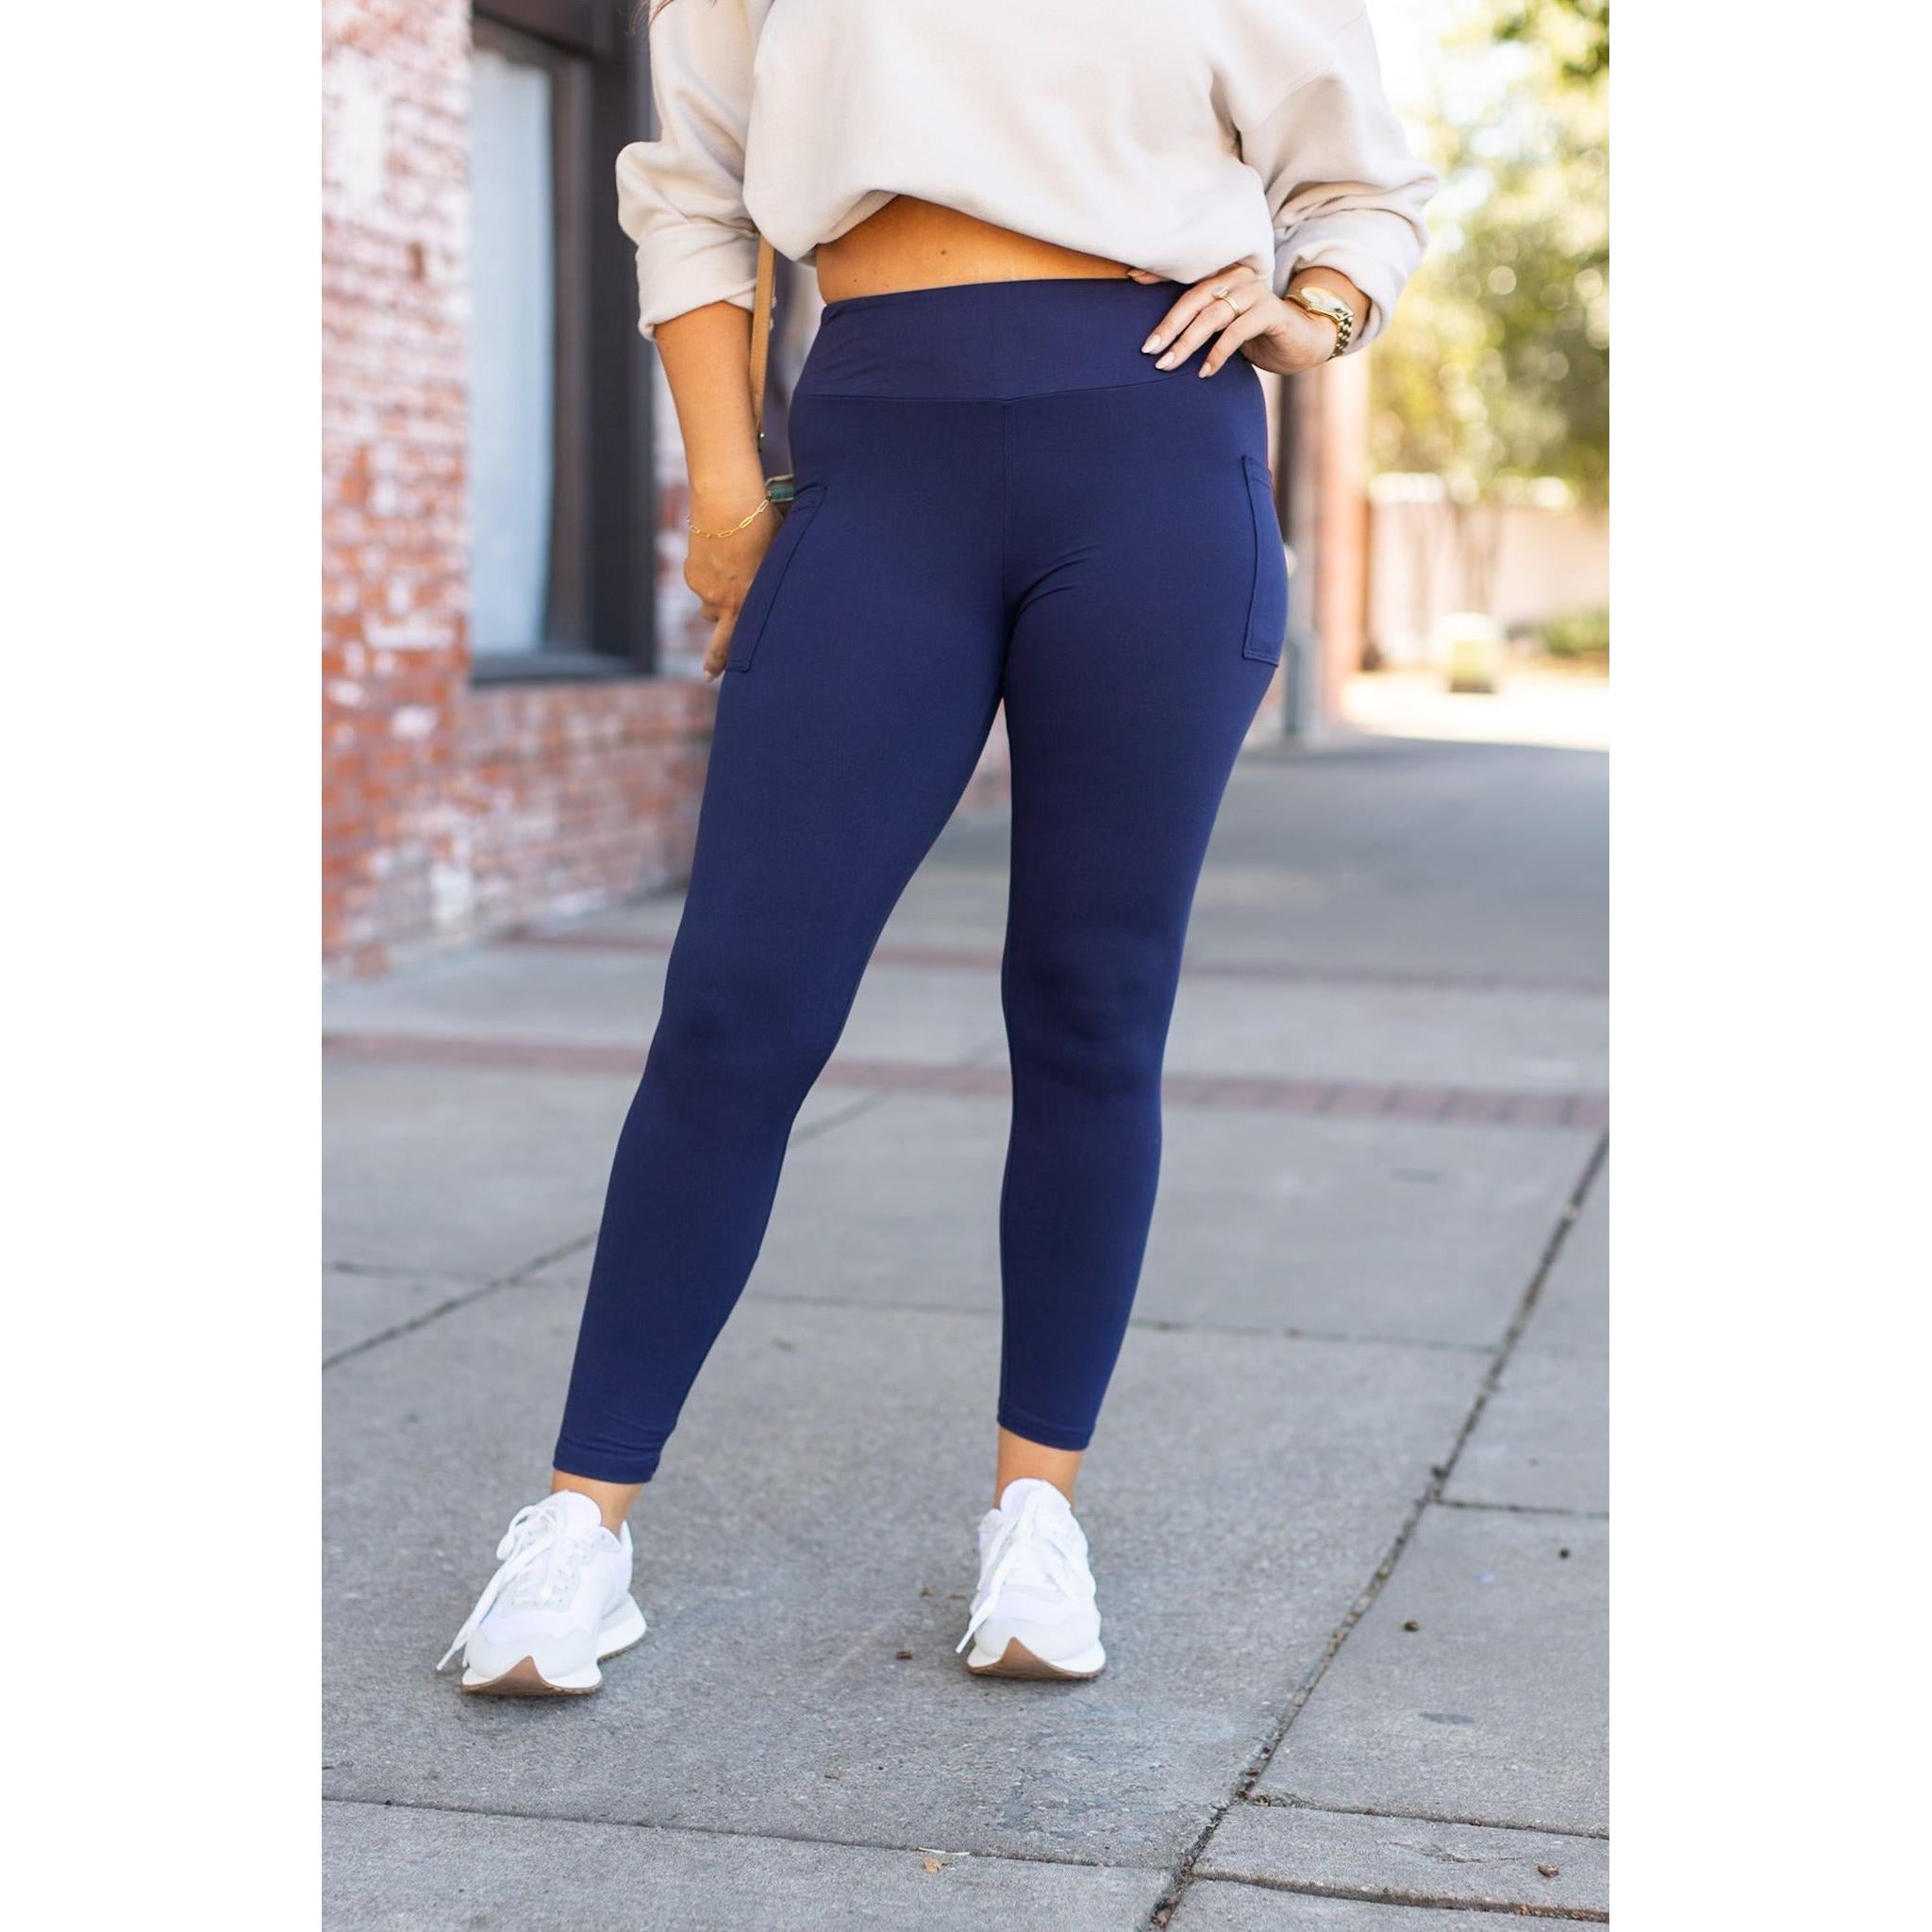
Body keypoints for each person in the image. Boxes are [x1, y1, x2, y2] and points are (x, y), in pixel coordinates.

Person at [440, 0, 1434, 1695]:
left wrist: (1317, 309)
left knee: (1093, 1001)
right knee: (738, 1004)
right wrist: (728, 493)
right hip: (878, 456)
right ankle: (579, 1527)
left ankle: (1037, 1517)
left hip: (1154, 446)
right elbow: (693, 190)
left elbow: (1362, 186)